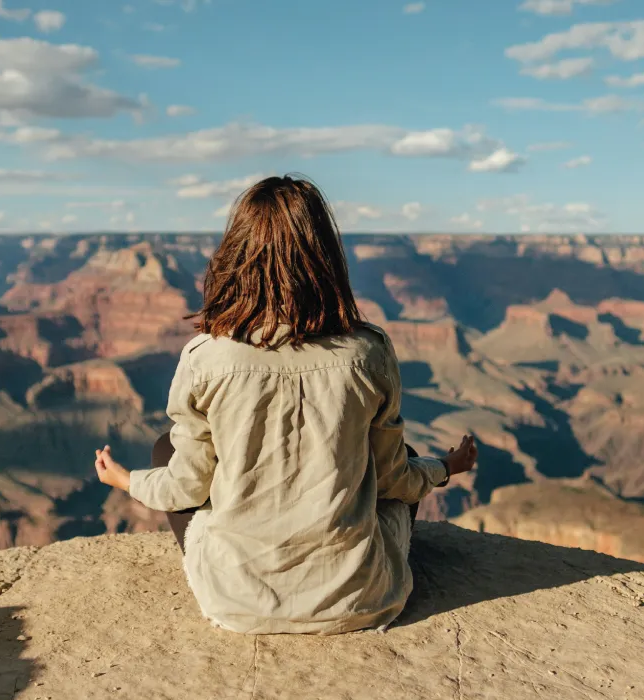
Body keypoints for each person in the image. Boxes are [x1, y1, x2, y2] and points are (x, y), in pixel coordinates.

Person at [94, 174, 477, 635]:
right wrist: (445, 467)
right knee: (406, 457)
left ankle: (247, 577)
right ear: (326, 257)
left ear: (236, 256)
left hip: (236, 604)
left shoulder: (205, 357)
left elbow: (187, 489)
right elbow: (394, 479)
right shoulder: (368, 352)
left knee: (165, 452)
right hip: (360, 600)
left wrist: (125, 480)